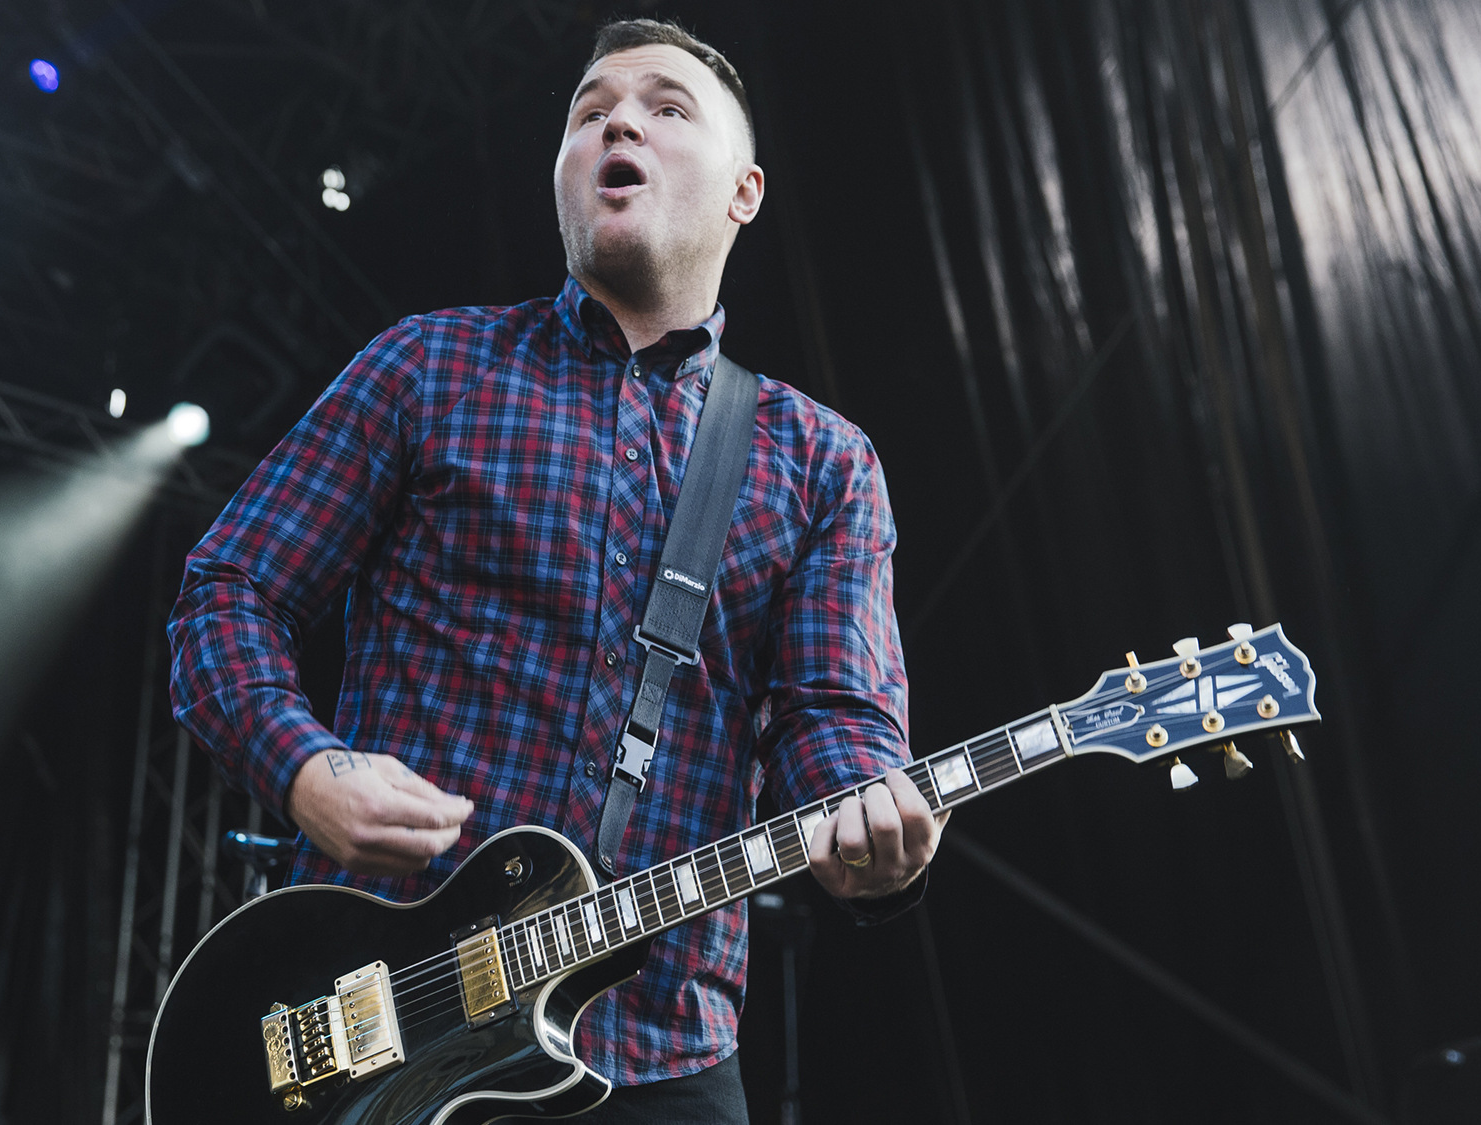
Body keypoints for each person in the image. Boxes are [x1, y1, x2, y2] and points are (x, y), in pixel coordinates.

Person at [167, 17, 947, 1123]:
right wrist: (303, 769)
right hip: (374, 1026)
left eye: (665, 108)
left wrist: (871, 828)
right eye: (590, 113)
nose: (617, 124)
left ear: (744, 193)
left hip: (658, 1051)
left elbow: (834, 721)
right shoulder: (429, 367)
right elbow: (229, 591)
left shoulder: (822, 460)